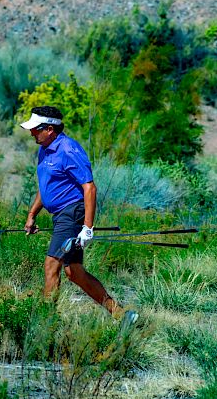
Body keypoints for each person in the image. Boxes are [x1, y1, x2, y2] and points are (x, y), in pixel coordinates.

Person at [21, 105, 138, 325]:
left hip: (72, 212)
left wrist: (87, 227)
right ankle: (122, 316)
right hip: (60, 215)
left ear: (50, 129)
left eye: (36, 129)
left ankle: (46, 325)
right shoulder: (44, 148)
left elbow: (89, 188)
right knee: (73, 272)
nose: (31, 133)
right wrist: (32, 214)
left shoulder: (68, 150)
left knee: (51, 265)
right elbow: (46, 185)